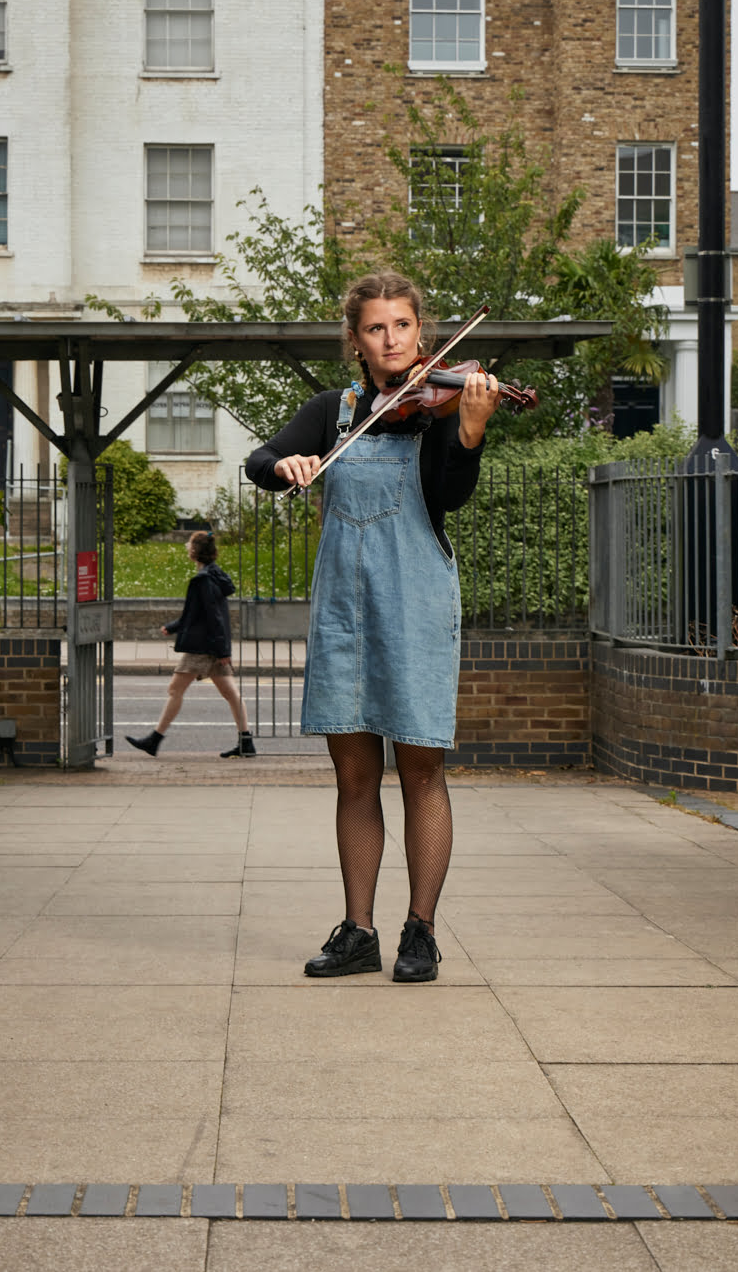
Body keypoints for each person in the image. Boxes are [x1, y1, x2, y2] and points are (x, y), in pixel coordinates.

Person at [245, 271, 502, 983]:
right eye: (376, 328)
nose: (392, 340)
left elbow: (449, 494)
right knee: (354, 774)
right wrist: (286, 465)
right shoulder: (334, 412)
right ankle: (358, 931)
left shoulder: (442, 408)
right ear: (355, 340)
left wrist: (472, 430)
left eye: (403, 326)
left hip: (415, 605)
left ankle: (419, 931)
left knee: (421, 771)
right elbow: (259, 461)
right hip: (345, 613)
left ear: (422, 332)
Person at [126, 530, 257, 759]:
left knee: (175, 689)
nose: (187, 547)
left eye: (189, 544)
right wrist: (174, 627)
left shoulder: (203, 580)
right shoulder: (215, 575)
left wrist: (222, 650)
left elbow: (213, 616)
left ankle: (154, 740)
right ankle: (246, 741)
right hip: (213, 645)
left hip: (203, 647)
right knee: (231, 694)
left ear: (195, 551)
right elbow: (197, 614)